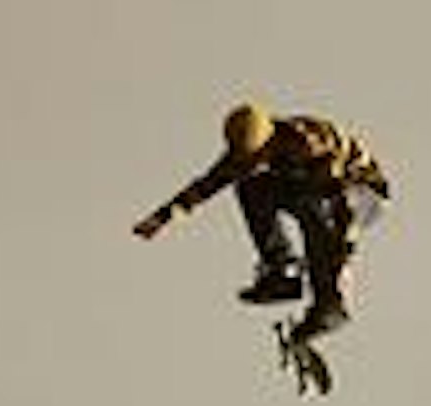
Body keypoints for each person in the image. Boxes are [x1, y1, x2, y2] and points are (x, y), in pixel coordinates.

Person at [133, 102, 390, 341]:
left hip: (363, 193)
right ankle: (282, 271)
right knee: (252, 188)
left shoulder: (308, 142)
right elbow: (208, 184)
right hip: (313, 191)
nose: (255, 161)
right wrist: (162, 217)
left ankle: (331, 306)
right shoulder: (249, 150)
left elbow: (342, 205)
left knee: (314, 212)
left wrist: (344, 250)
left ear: (270, 141)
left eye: (259, 155)